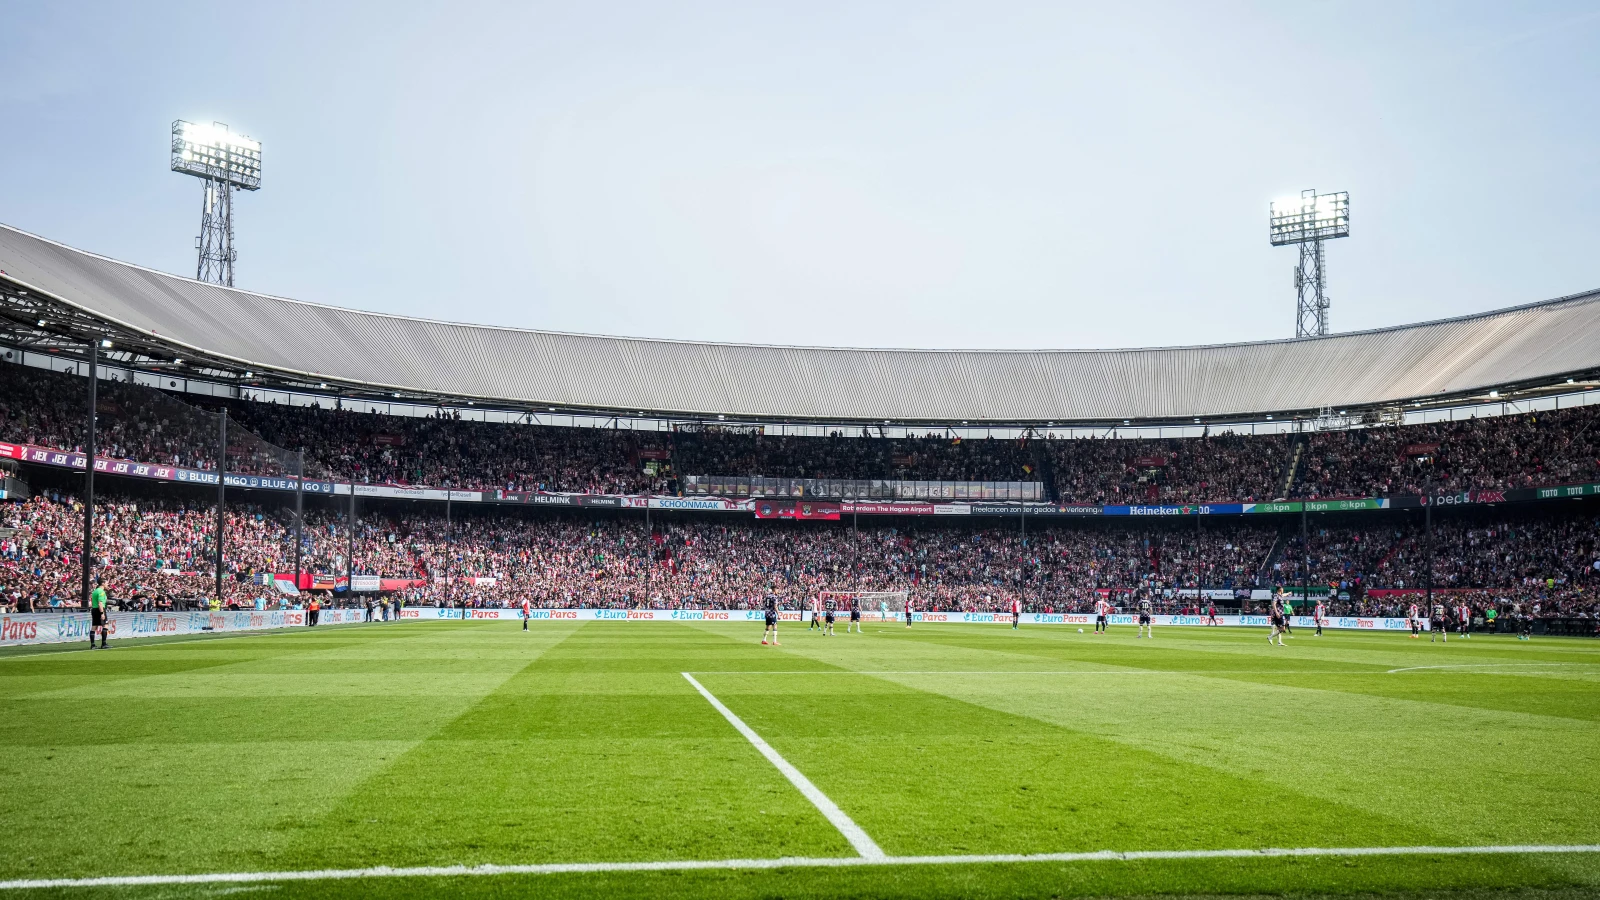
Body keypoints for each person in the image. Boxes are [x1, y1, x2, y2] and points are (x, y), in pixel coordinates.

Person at [88, 578, 109, 650]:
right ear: (102, 583)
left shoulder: (95, 591)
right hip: (100, 609)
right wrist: (102, 613)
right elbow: (100, 603)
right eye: (106, 583)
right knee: (105, 626)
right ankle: (104, 643)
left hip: (94, 609)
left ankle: (93, 645)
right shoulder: (101, 592)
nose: (107, 584)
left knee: (94, 627)